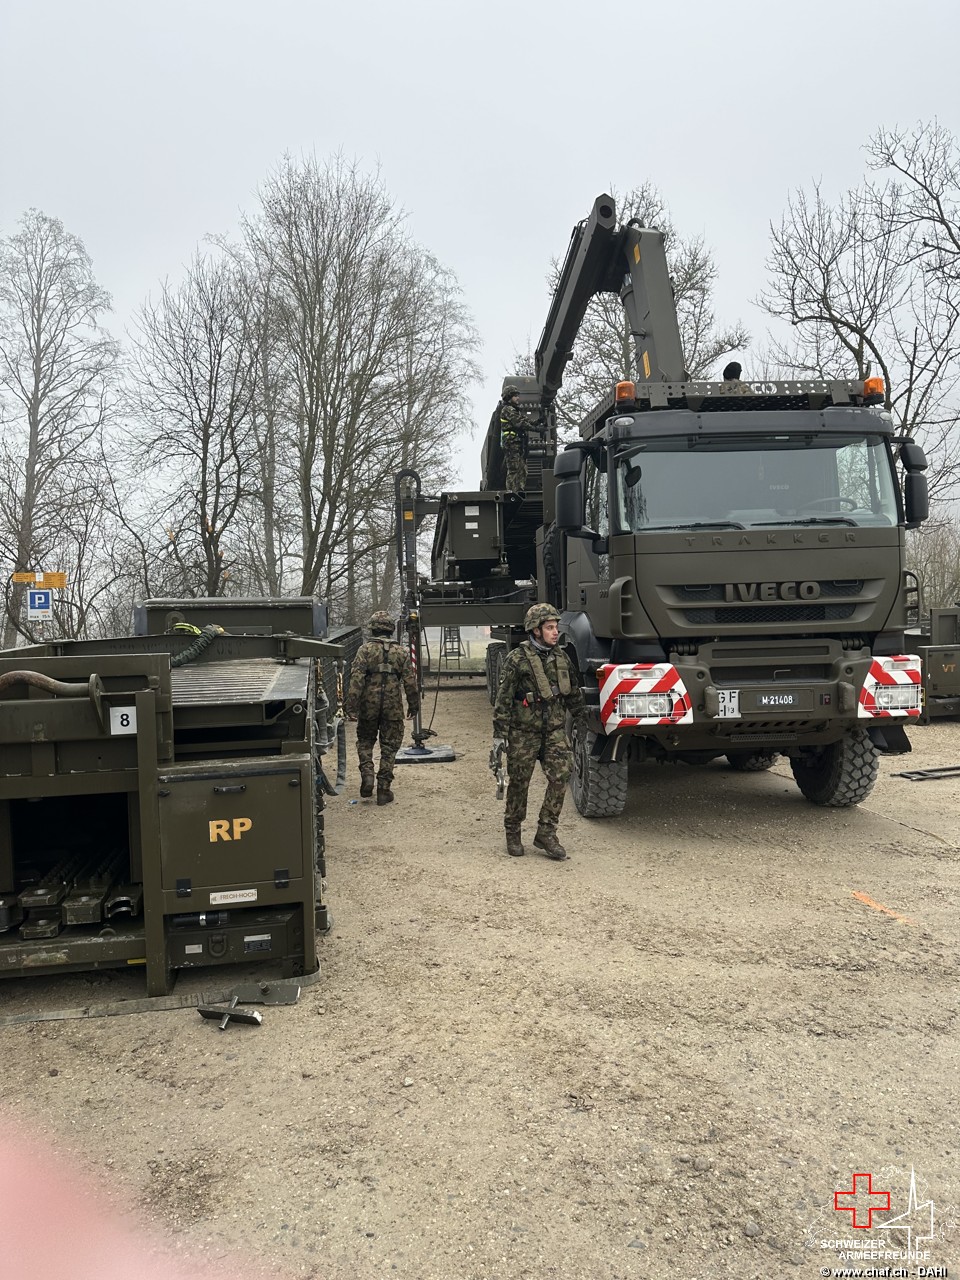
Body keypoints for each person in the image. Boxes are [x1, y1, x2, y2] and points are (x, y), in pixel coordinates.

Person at [492, 604, 586, 860]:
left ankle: (546, 832)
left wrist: (582, 718)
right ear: (536, 630)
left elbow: (572, 692)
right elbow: (503, 699)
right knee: (519, 783)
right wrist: (499, 735)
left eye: (556, 627)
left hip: (553, 731)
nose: (556, 632)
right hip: (523, 733)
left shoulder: (561, 657)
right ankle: (513, 831)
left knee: (561, 776)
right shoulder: (517, 659)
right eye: (550, 628)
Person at [344, 611, 419, 805]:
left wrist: (351, 706)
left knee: (365, 741)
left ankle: (367, 774)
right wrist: (414, 705)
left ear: (372, 628)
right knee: (390, 746)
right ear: (391, 629)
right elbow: (410, 681)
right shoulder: (401, 652)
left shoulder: (364, 650)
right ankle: (384, 789)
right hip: (392, 707)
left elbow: (356, 680)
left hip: (368, 706)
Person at [499, 386, 528, 493]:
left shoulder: (515, 410)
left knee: (522, 469)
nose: (518, 398)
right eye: (515, 396)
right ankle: (511, 492)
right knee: (513, 469)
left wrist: (537, 422)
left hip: (516, 443)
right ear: (509, 397)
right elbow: (519, 423)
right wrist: (535, 428)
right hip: (511, 443)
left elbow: (524, 420)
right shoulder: (507, 410)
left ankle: (519, 490)